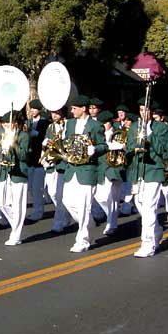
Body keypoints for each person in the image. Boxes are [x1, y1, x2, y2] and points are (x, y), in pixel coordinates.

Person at [61, 95, 106, 253]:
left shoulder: (96, 126)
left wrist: (95, 149)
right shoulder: (70, 124)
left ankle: (83, 240)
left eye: (74, 108)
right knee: (67, 202)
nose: (72, 111)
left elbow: (103, 145)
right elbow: (66, 143)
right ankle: (89, 224)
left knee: (84, 207)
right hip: (71, 169)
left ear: (83, 109)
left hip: (87, 171)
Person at [126, 102, 167, 257]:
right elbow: (130, 146)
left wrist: (149, 136)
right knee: (140, 203)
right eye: (141, 110)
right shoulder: (135, 126)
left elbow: (163, 149)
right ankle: (156, 230)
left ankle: (147, 244)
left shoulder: (161, 127)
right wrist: (134, 146)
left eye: (147, 110)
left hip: (154, 170)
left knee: (150, 207)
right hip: (138, 169)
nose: (144, 113)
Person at [0, 111, 30, 246]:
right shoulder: (3, 135)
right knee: (2, 203)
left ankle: (16, 234)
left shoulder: (23, 136)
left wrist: (13, 143)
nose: (5, 126)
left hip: (19, 173)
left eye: (8, 123)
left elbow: (23, 156)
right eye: (4, 124)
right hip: (5, 172)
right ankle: (17, 223)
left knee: (18, 205)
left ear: (15, 123)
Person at [41, 108, 70, 233]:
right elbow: (47, 141)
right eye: (52, 113)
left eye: (56, 113)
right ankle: (66, 216)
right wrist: (45, 143)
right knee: (52, 192)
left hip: (64, 163)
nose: (53, 115)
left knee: (60, 194)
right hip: (52, 162)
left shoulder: (69, 124)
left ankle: (58, 222)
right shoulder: (50, 127)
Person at [96, 111, 124, 237]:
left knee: (113, 198)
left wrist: (114, 145)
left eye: (105, 123)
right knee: (100, 197)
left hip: (114, 169)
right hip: (101, 168)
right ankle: (111, 215)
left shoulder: (118, 132)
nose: (103, 125)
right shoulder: (98, 134)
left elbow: (124, 146)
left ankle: (111, 223)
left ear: (110, 122)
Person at [25, 100, 49, 222]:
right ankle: (37, 208)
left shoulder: (45, 122)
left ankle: (38, 211)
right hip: (29, 159)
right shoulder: (28, 122)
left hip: (39, 159)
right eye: (31, 109)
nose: (32, 111)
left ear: (39, 110)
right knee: (30, 187)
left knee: (37, 187)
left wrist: (32, 132)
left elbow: (43, 137)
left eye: (35, 109)